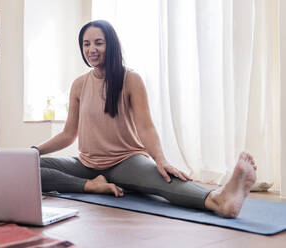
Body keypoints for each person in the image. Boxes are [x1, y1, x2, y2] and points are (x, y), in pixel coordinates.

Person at [32, 20, 257, 218]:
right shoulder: (79, 84)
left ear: (110, 45)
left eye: (98, 43)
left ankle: (219, 201)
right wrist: (34, 151)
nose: (92, 49)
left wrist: (160, 159)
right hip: (87, 165)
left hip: (125, 162)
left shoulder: (131, 79)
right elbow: (68, 134)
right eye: (86, 44)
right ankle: (91, 186)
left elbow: (145, 127)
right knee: (30, 167)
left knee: (165, 180)